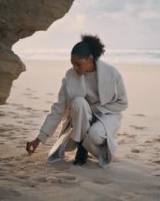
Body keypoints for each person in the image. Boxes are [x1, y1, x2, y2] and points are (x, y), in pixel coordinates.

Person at [26, 34, 128, 168]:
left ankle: (100, 152)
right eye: (72, 64)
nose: (74, 68)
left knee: (95, 135)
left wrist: (95, 110)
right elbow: (58, 108)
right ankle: (82, 148)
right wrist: (38, 139)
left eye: (78, 64)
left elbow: (123, 103)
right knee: (79, 102)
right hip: (81, 119)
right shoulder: (70, 77)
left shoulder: (112, 74)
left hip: (106, 115)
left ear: (90, 59)